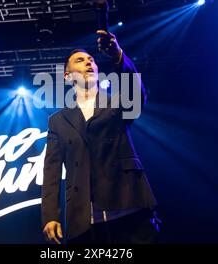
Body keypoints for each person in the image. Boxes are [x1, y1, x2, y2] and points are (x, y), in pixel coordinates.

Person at [41, 30, 160, 244]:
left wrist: (117, 56)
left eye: (91, 60)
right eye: (80, 60)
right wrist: (50, 216)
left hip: (129, 207)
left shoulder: (116, 103)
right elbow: (51, 170)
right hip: (85, 219)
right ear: (67, 76)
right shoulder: (57, 121)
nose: (88, 62)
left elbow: (136, 92)